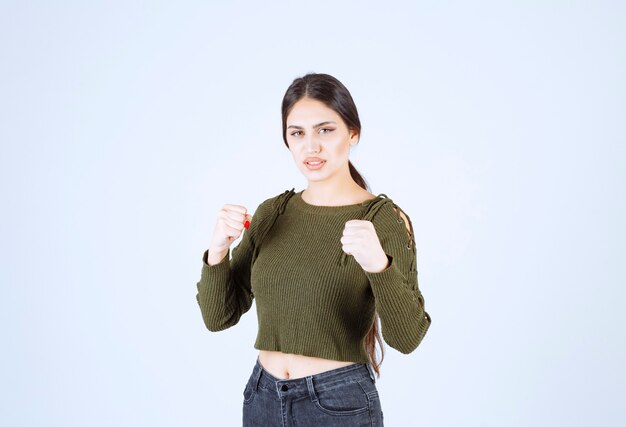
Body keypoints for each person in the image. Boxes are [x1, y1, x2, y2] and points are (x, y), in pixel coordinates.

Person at [196, 72, 431, 426]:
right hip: (263, 398)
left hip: (338, 403)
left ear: (353, 133)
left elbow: (407, 337)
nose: (311, 147)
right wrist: (217, 251)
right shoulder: (273, 212)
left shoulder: (383, 219)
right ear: (286, 139)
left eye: (325, 130)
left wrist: (379, 265)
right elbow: (218, 317)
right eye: (297, 133)